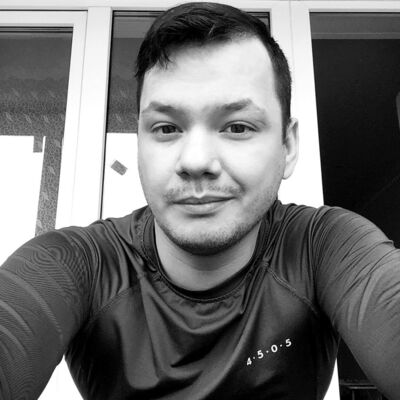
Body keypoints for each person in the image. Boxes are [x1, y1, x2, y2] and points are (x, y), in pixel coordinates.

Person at [1, 2, 400, 399]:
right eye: (166, 128)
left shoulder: (326, 247)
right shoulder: (77, 264)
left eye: (237, 127)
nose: (195, 161)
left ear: (289, 146)